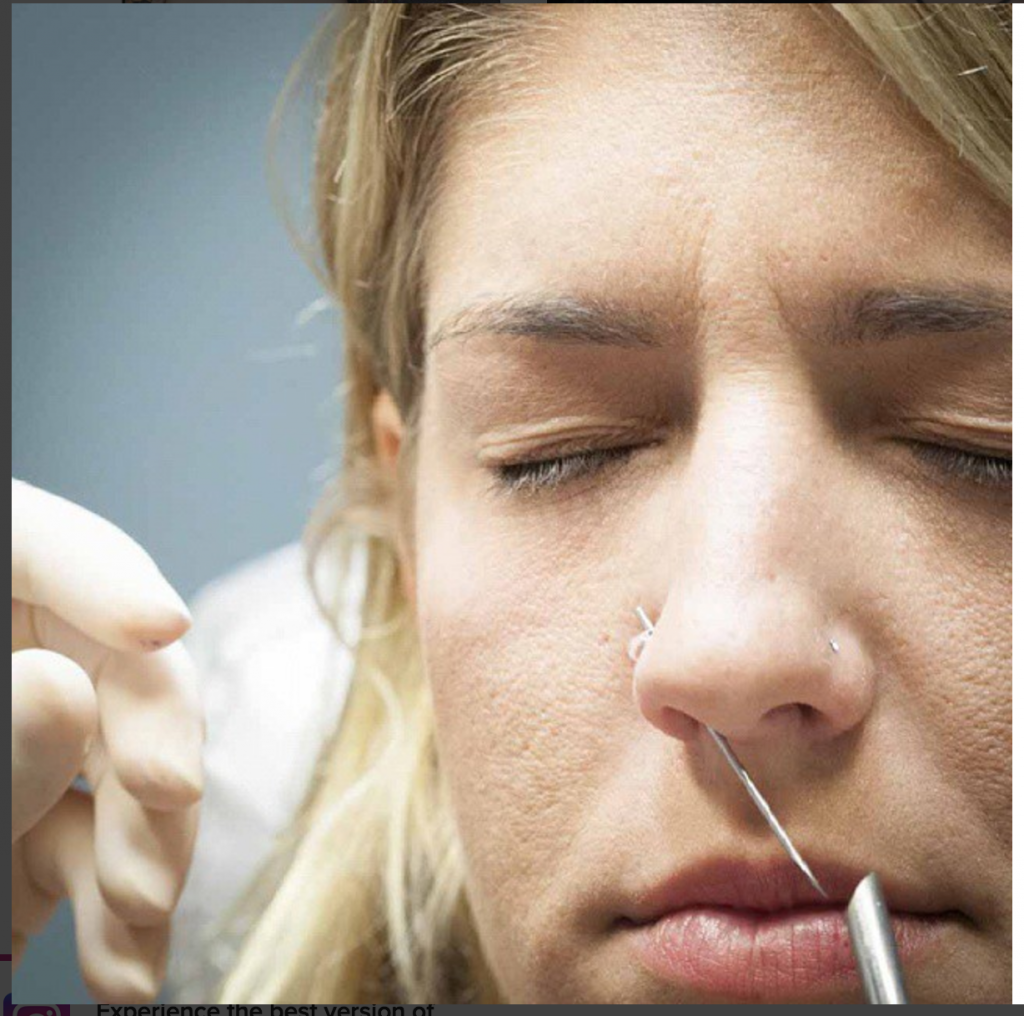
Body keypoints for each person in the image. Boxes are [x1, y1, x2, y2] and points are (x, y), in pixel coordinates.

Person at [11, 2, 1011, 1005]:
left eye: (978, 441)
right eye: (563, 449)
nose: (729, 654)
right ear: (407, 531)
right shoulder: (202, 852)